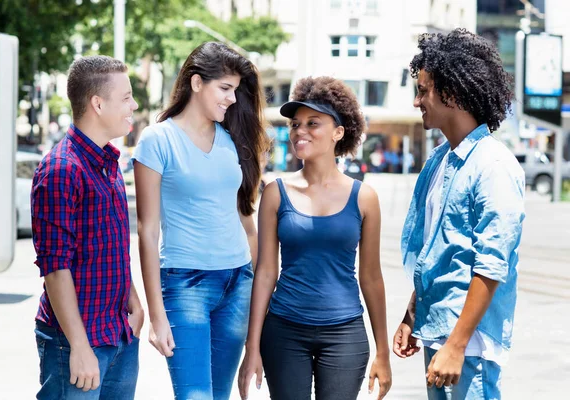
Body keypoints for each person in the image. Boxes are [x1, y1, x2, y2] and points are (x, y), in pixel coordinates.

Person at [238, 76, 392, 400]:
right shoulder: (275, 193)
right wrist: (252, 347)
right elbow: (266, 272)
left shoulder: (364, 198)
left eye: (313, 123)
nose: (300, 131)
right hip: (284, 331)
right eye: (295, 124)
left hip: (345, 334)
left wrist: (383, 352)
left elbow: (372, 277)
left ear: (339, 132)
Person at [392, 29, 525, 399]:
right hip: (440, 331)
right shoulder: (440, 161)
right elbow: (437, 251)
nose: (417, 101)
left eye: (423, 90)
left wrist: (457, 344)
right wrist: (411, 315)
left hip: (469, 346)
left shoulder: (493, 165)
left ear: (451, 93)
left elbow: (491, 265)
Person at [132, 42, 268, 400]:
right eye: (224, 88)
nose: (232, 99)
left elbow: (246, 221)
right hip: (185, 285)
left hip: (238, 283)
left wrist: (257, 292)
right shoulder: (156, 140)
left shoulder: (234, 141)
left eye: (236, 91)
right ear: (196, 83)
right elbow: (147, 231)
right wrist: (157, 315)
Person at [31, 55, 143, 399]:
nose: (134, 105)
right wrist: (79, 347)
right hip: (74, 344)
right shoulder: (62, 169)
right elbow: (55, 267)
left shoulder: (108, 163)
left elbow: (109, 248)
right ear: (97, 103)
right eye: (126, 97)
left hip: (118, 334)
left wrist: (134, 301)